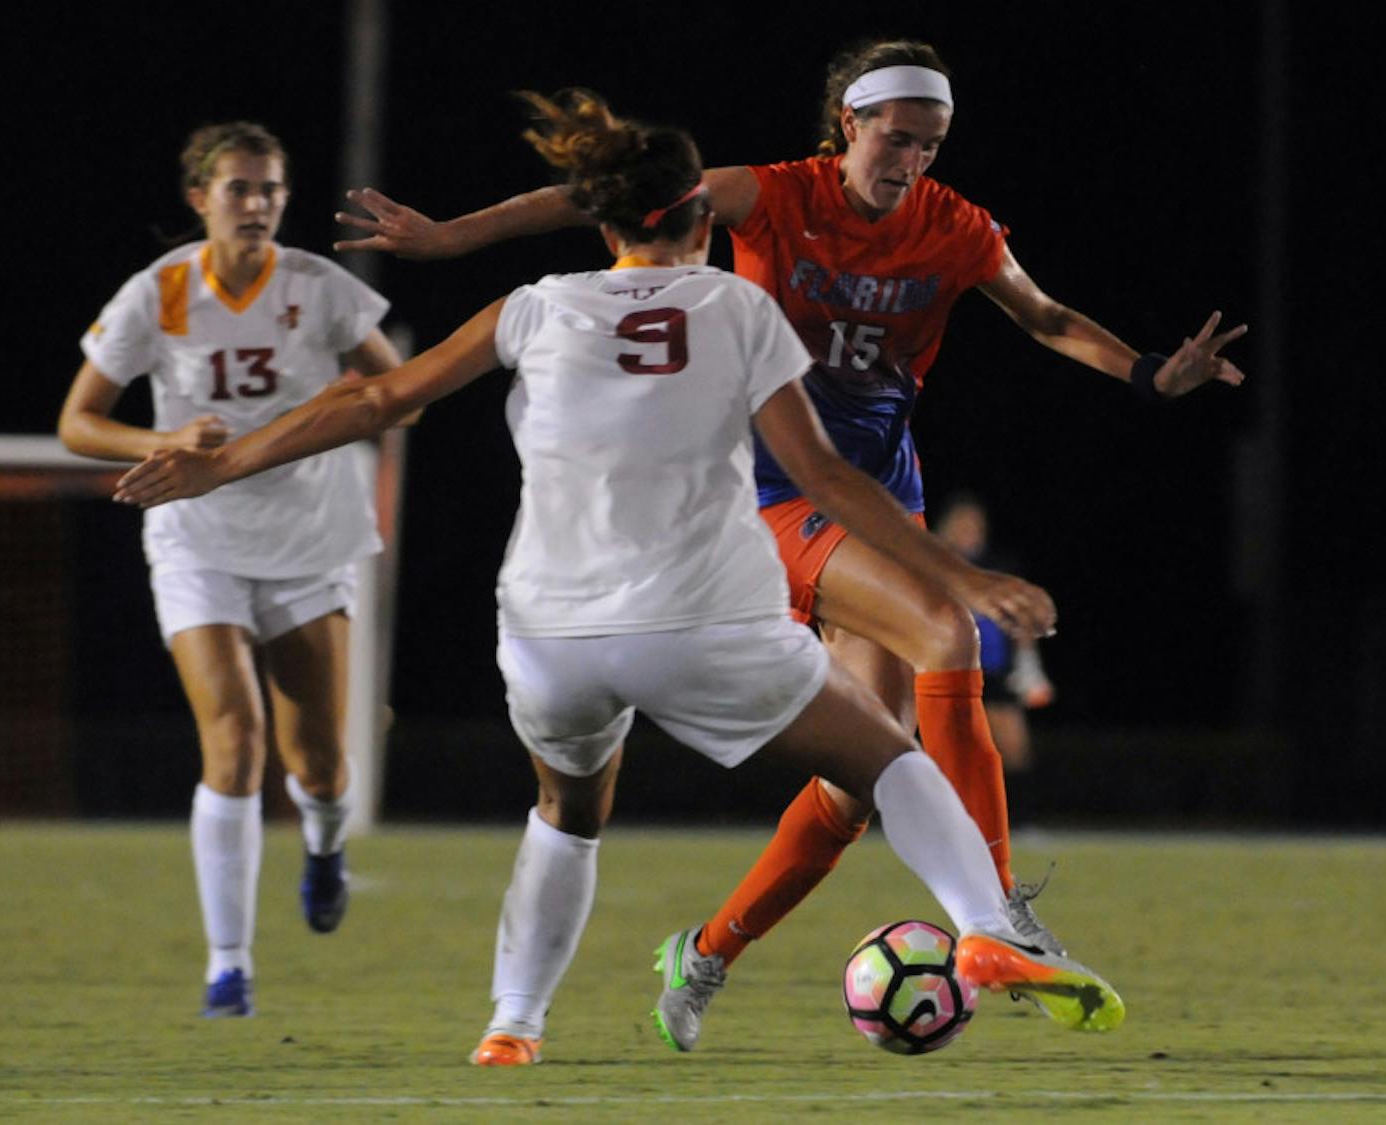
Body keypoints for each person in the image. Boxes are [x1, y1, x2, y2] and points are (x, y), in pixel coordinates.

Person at [112, 89, 1126, 1065]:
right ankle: (990, 925)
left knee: (566, 814)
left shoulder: (533, 309)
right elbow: (822, 476)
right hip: (704, 626)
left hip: (550, 637)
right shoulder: (740, 308)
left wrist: (218, 462)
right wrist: (961, 574)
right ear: (698, 216)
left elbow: (376, 403)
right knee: (891, 762)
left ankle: (513, 1025)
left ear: (604, 230)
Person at [327, 38, 1246, 1048]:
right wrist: (452, 237)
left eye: (932, 144)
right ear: (849, 123)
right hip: (775, 488)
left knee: (860, 786)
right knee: (946, 627)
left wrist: (1149, 373)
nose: (914, 160)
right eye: (898, 138)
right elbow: (613, 193)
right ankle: (1000, 916)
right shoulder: (769, 195)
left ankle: (705, 954)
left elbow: (1047, 315)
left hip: (874, 496)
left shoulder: (958, 228)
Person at [58, 121, 403, 1018]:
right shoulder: (159, 293)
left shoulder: (317, 288)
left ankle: (325, 845)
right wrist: (162, 437)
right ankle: (229, 965)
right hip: (196, 539)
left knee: (319, 762)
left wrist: (331, 412)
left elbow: (392, 391)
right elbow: (79, 422)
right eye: (240, 189)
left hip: (308, 539)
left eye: (272, 190)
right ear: (199, 199)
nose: (257, 205)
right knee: (235, 741)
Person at [935, 492, 1054, 774]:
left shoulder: (999, 567)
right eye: (961, 524)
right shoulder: (935, 564)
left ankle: (1020, 816)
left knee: (1013, 749)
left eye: (974, 524)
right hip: (950, 669)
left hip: (996, 670)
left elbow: (1020, 620)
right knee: (953, 750)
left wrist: (1029, 668)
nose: (969, 531)